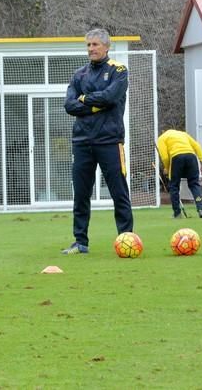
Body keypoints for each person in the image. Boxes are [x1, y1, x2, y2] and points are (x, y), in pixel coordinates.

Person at [61, 28, 133, 255]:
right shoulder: (78, 74)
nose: (91, 49)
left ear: (106, 47)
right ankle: (80, 242)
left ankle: (126, 239)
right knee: (81, 194)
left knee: (118, 192)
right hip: (82, 141)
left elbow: (111, 97)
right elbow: (69, 105)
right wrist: (95, 104)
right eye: (88, 45)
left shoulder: (118, 71)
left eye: (95, 45)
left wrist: (85, 101)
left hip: (110, 141)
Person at [157, 129, 202, 218]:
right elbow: (197, 146)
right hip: (191, 157)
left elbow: (164, 157)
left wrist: (167, 168)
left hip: (177, 158)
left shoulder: (162, 138)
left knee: (174, 186)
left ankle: (177, 212)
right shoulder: (183, 134)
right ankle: (201, 209)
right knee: (194, 184)